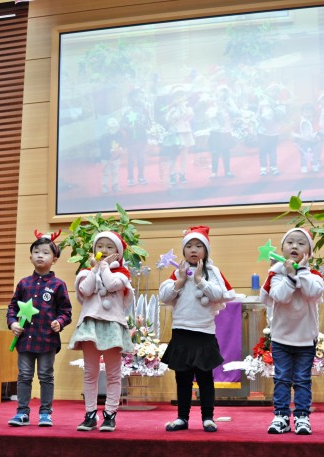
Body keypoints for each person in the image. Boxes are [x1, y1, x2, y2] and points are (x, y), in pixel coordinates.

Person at [159, 226, 235, 433]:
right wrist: (181, 280)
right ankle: (182, 418)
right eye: (189, 246)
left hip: (204, 333)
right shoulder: (177, 271)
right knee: (182, 378)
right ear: (183, 251)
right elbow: (164, 297)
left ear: (206, 250)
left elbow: (220, 295)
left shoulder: (213, 272)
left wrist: (200, 281)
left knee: (204, 378)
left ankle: (208, 418)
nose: (193, 250)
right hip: (181, 331)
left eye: (199, 246)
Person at [260, 228, 324, 435]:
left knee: (303, 380)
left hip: (305, 339)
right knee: (282, 379)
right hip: (281, 338)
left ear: (310, 253)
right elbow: (280, 296)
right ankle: (281, 416)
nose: (295, 246)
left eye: (301, 243)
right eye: (290, 243)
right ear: (282, 249)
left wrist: (300, 272)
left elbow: (312, 292)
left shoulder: (314, 276)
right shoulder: (276, 274)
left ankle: (303, 417)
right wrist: (288, 274)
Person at [69, 231, 134, 432]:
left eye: (109, 246)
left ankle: (110, 415)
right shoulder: (86, 272)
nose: (104, 250)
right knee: (90, 373)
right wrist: (96, 267)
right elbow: (86, 290)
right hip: (91, 325)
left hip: (113, 325)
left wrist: (104, 267)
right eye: (100, 246)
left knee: (114, 374)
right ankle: (90, 415)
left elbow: (111, 284)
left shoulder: (122, 273)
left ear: (118, 252)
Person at [7, 230, 72, 427]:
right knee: (24, 376)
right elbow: (12, 307)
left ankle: (45, 413)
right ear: (30, 257)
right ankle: (22, 413)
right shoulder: (24, 283)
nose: (40, 255)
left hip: (47, 340)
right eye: (36, 252)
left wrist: (59, 322)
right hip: (25, 339)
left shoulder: (58, 285)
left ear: (55, 259)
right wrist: (13, 323)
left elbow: (66, 311)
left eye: (45, 252)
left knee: (46, 376)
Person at [206, 85, 239, 179]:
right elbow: (209, 116)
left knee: (226, 152)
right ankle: (214, 172)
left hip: (226, 131)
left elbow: (236, 113)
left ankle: (227, 171)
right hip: (216, 132)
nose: (223, 93)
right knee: (215, 152)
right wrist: (217, 108)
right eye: (221, 91)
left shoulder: (230, 103)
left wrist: (227, 107)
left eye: (225, 91)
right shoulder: (213, 103)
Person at [121, 88, 151, 186]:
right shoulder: (127, 112)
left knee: (141, 158)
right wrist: (129, 127)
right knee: (131, 159)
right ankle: (130, 178)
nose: (139, 99)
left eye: (140, 96)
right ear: (131, 99)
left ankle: (141, 177)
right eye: (136, 96)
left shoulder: (145, 111)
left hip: (142, 138)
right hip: (131, 139)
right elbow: (122, 124)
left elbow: (149, 124)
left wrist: (145, 124)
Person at [98, 117, 126, 194]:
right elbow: (102, 147)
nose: (113, 129)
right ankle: (105, 186)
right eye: (111, 127)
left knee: (115, 172)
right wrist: (110, 151)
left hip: (116, 157)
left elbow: (122, 143)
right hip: (106, 158)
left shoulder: (119, 135)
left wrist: (120, 149)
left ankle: (115, 185)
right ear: (107, 127)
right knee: (106, 173)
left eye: (115, 127)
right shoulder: (104, 136)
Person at [292, 103, 319, 173]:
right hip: (303, 141)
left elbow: (317, 129)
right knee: (303, 154)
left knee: (314, 153)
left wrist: (317, 136)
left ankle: (314, 165)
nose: (308, 114)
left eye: (310, 112)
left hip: (312, 141)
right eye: (306, 112)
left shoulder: (314, 121)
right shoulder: (299, 122)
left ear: (313, 112)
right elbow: (296, 131)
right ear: (302, 112)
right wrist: (296, 141)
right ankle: (304, 166)